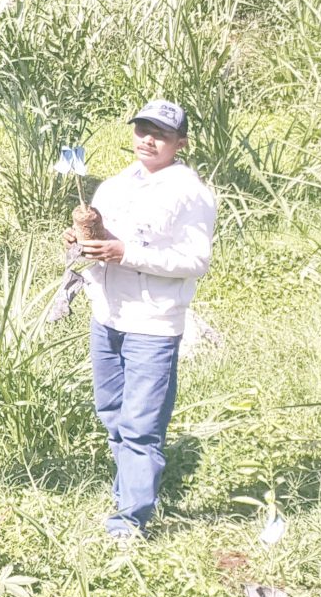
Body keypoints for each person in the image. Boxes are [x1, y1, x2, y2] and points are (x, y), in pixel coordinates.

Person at [76, 99, 216, 539]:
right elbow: (100, 240)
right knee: (111, 411)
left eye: (160, 134)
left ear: (180, 143)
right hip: (107, 314)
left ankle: (129, 521)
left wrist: (125, 253)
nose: (148, 140)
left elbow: (196, 259)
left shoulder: (189, 192)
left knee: (141, 423)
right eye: (141, 130)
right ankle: (128, 492)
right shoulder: (114, 186)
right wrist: (81, 240)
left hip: (153, 322)